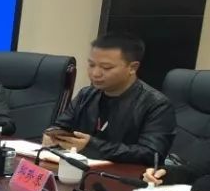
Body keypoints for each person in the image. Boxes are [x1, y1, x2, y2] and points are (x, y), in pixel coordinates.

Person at [44, 33, 174, 165]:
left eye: (106, 68)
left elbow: (151, 154)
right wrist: (52, 135)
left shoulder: (156, 104)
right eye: (91, 65)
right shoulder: (86, 94)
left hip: (124, 174)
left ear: (132, 68)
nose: (95, 73)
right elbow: (62, 126)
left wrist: (91, 146)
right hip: (79, 170)